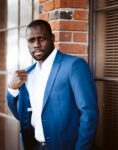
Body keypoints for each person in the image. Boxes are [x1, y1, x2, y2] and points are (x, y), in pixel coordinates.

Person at [7, 19, 98, 150]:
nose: (36, 45)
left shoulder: (73, 66)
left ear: (52, 38)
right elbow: (22, 116)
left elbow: (89, 114)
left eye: (42, 39)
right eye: (31, 41)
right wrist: (11, 89)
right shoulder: (27, 74)